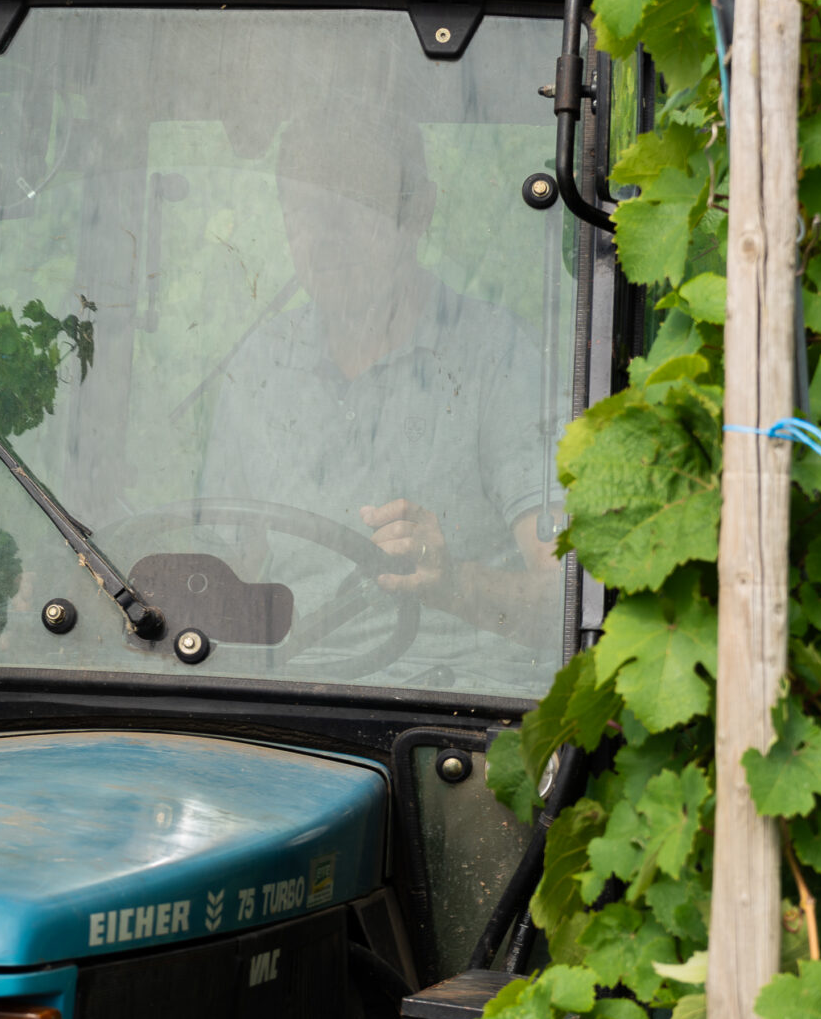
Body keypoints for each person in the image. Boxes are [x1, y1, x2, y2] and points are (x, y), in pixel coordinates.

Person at [201, 98, 562, 683]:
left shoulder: (498, 357)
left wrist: (453, 582)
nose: (326, 237)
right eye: (304, 210)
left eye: (353, 207)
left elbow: (568, 599)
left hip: (460, 705)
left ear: (418, 212)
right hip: (287, 698)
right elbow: (220, 576)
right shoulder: (261, 366)